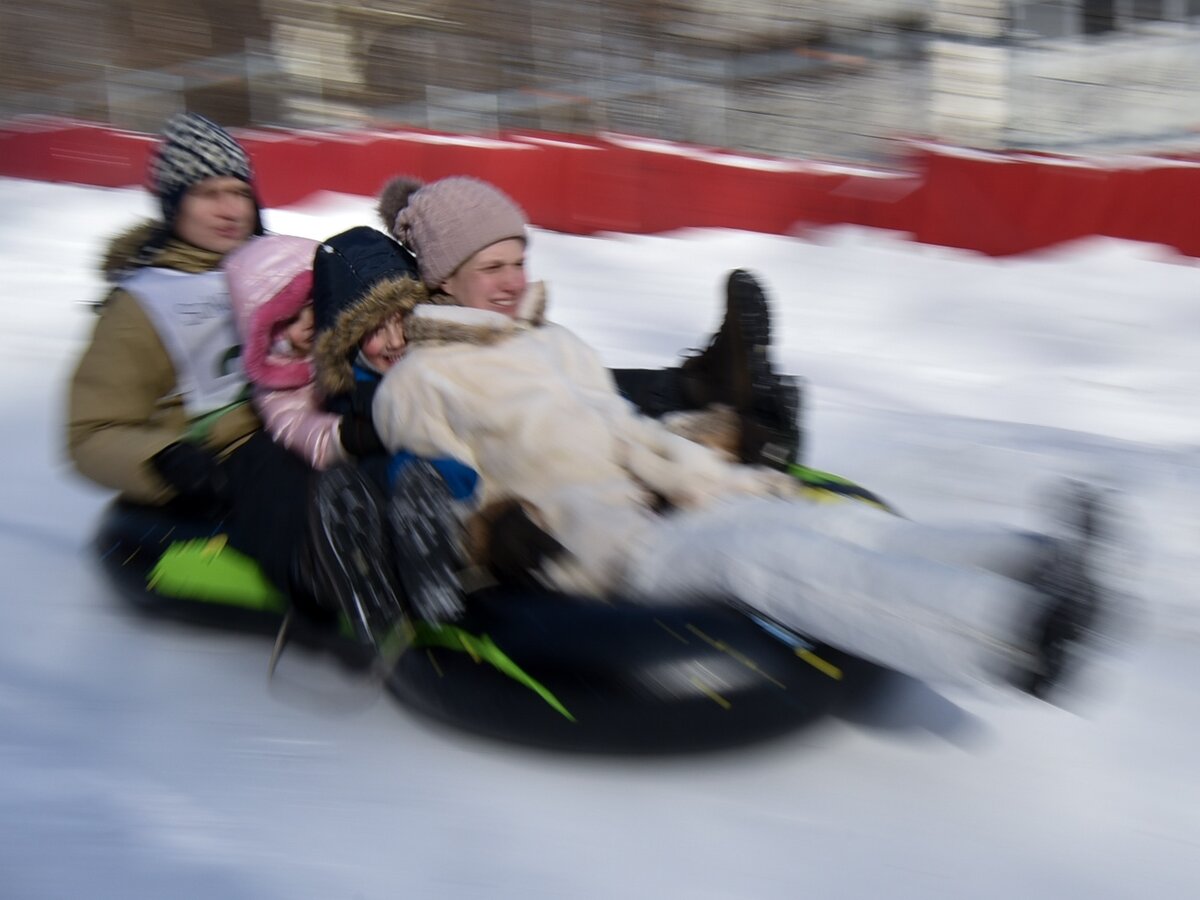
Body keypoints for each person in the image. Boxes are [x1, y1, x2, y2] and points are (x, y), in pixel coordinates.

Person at [368, 175, 1111, 700]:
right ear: (442, 280)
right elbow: (435, 501)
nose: (510, 279)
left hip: (676, 496)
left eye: (518, 258)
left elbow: (623, 429)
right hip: (604, 546)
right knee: (779, 560)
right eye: (490, 267)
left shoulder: (555, 342)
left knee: (840, 527)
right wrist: (497, 540)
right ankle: (1017, 639)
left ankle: (1039, 561)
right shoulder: (420, 382)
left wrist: (715, 443)